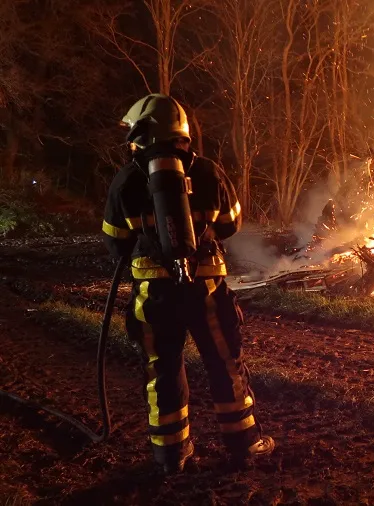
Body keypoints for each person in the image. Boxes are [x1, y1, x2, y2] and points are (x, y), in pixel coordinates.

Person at [101, 94, 274, 474]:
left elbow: (115, 242)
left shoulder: (127, 178)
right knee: (225, 364)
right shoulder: (209, 171)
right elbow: (230, 224)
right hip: (206, 291)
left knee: (161, 369)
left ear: (141, 133)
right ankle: (244, 443)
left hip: (155, 297)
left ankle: (171, 454)